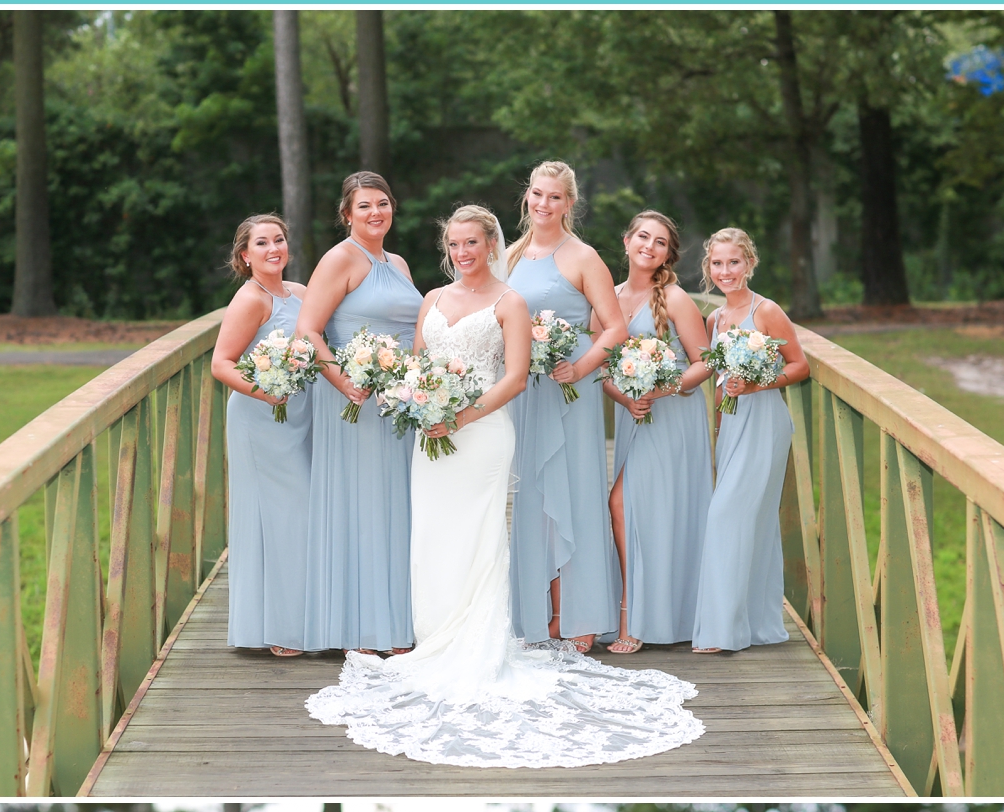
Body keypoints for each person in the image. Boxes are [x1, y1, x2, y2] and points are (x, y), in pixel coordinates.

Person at [305, 208, 704, 769]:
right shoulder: (432, 300)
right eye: (453, 243)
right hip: (431, 432)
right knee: (434, 535)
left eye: (472, 242)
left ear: (491, 244)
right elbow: (419, 364)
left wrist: (462, 417)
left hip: (483, 431)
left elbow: (516, 377)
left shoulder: (509, 301)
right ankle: (435, 635)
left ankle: (478, 643)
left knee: (479, 532)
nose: (463, 252)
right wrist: (417, 400)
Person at [295, 172, 422, 654]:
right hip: (355, 401)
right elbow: (309, 328)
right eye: (364, 206)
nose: (376, 213)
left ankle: (396, 621)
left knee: (397, 504)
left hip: (399, 404)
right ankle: (364, 629)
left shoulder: (399, 262)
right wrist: (343, 380)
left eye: (383, 203)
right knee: (365, 503)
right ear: (347, 214)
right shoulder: (340, 259)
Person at [507, 161, 627, 651]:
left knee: (575, 494)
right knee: (533, 497)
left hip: (569, 387)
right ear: (527, 196)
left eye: (555, 197)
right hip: (524, 390)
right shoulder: (511, 255)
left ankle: (583, 615)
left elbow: (615, 327)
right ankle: (545, 613)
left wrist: (581, 368)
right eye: (537, 194)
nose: (543, 204)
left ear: (569, 203)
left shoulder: (582, 256)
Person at [691, 227, 810, 654]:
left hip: (764, 421)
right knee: (750, 522)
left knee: (727, 516)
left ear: (750, 263)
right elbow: (717, 380)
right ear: (709, 268)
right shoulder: (715, 319)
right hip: (731, 424)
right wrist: (718, 424)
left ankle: (723, 632)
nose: (726, 271)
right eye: (717, 263)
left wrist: (758, 385)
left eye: (733, 262)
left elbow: (799, 366)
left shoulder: (768, 311)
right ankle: (756, 624)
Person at [599, 211, 713, 653]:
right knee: (646, 510)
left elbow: (705, 361)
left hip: (673, 416)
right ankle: (659, 611)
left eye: (660, 241)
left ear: (669, 253)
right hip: (635, 414)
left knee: (622, 503)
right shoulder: (606, 297)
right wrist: (625, 398)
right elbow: (603, 366)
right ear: (627, 241)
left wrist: (665, 388)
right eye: (642, 236)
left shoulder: (675, 298)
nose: (649, 245)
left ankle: (633, 615)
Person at [211, 215, 311, 655]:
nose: (274, 248)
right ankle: (280, 629)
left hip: (300, 418)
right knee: (278, 518)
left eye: (280, 239)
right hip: (261, 419)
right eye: (262, 242)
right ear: (244, 255)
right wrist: (266, 392)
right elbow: (222, 364)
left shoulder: (300, 294)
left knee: (300, 515)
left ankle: (305, 617)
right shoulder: (250, 300)